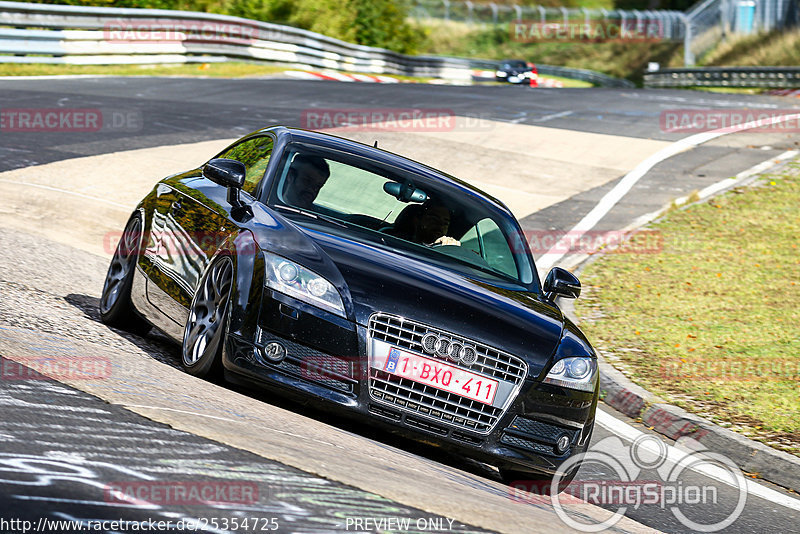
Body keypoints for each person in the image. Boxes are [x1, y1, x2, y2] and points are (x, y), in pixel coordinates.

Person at [386, 200, 460, 247]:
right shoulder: (392, 240)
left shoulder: (445, 248)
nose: (440, 225)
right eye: (434, 219)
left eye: (445, 223)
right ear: (417, 219)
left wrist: (450, 248)